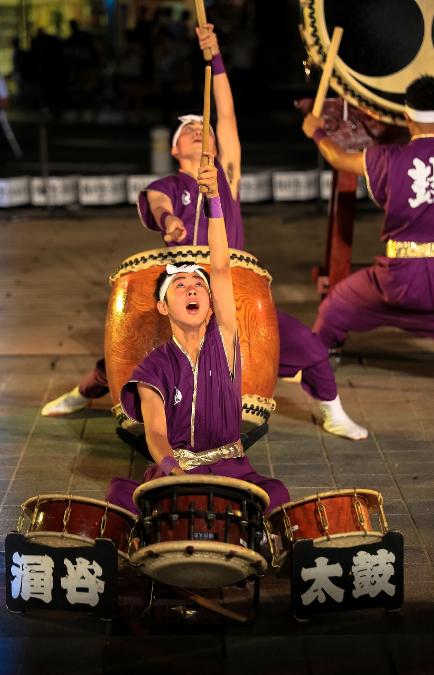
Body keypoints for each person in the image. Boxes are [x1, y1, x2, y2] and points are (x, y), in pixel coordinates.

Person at [42, 24, 367, 441]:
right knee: (130, 351)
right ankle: (84, 393)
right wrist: (168, 221)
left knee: (308, 346)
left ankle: (333, 411)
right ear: (175, 150)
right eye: (188, 131)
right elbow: (157, 204)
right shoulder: (168, 187)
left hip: (233, 289)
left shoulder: (225, 176)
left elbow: (226, 115)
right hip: (182, 287)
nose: (199, 129)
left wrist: (215, 58)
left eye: (204, 128)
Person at [106, 154, 289, 516]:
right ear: (163, 306)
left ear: (210, 306)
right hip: (177, 468)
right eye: (180, 285)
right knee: (118, 493)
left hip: (232, 469)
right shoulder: (152, 370)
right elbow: (156, 433)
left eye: (197, 286)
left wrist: (214, 201)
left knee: (277, 493)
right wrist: (174, 470)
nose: (192, 289)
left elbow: (220, 268)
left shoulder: (223, 340)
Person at [302, 75, 434, 351]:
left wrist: (316, 131)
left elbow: (338, 157)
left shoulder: (388, 158)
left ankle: (316, 361)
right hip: (408, 279)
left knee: (336, 306)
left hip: (401, 281)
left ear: (408, 120)